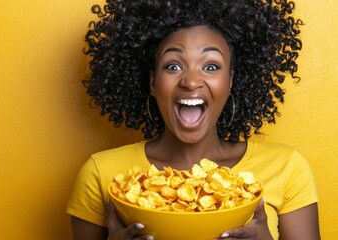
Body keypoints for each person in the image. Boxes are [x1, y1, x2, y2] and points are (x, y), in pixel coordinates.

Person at [67, 0, 321, 239]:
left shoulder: (287, 168)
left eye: (211, 66)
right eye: (173, 66)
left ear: (230, 80)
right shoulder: (101, 174)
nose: (190, 81)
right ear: (153, 82)